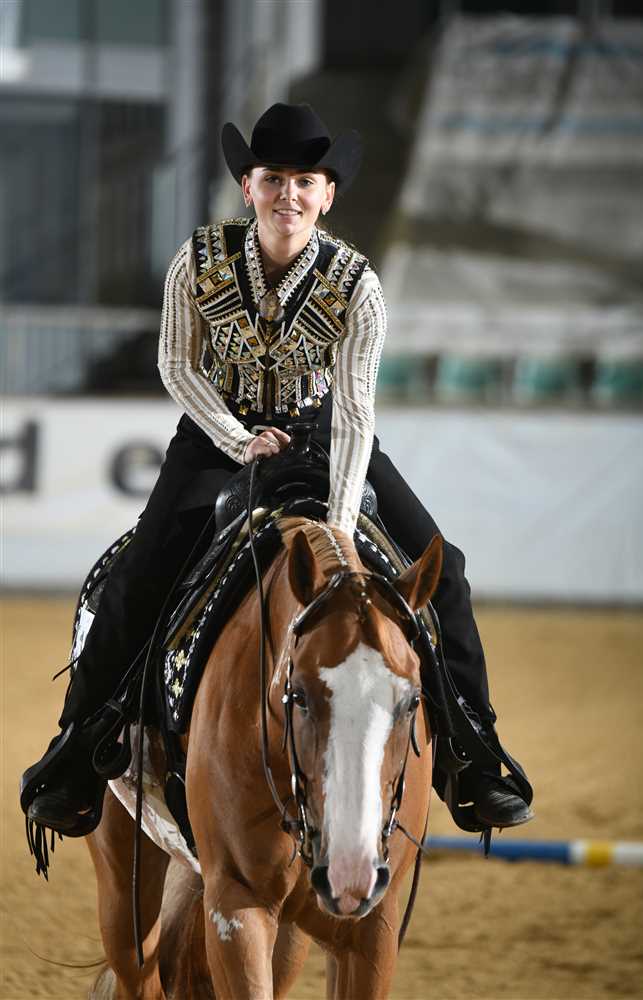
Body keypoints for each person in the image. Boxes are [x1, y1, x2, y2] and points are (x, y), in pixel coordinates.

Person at [21, 103, 532, 837]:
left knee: (443, 570)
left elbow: (355, 410)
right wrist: (237, 440)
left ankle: (472, 755)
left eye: (305, 181)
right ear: (248, 186)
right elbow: (177, 364)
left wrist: (341, 521)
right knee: (141, 570)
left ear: (327, 195)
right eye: (273, 178)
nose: (288, 194)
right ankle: (78, 749)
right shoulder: (198, 261)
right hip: (214, 437)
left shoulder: (357, 286)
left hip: (328, 440)